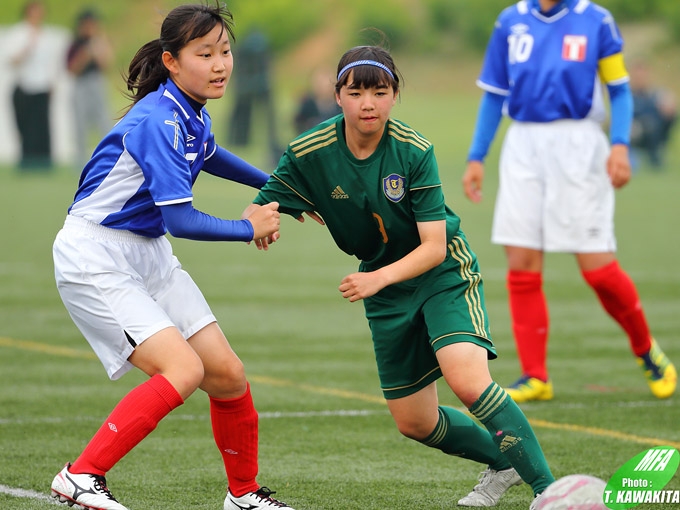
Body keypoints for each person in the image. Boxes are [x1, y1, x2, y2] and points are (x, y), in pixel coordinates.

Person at [244, 43, 555, 509]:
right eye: (356, 92)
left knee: (467, 379)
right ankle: (507, 460)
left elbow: (432, 247)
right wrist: (257, 223)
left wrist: (375, 280)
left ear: (394, 95)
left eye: (380, 91)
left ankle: (551, 493)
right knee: (415, 422)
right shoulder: (309, 151)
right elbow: (262, 202)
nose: (368, 103)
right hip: (385, 284)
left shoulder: (413, 150)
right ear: (337, 95)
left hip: (441, 271)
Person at [50, 3, 295, 510]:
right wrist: (248, 227)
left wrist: (282, 188)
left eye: (224, 51)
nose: (220, 63)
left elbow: (212, 155)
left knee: (226, 374)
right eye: (204, 53)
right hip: (95, 254)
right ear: (172, 61)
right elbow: (182, 220)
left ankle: (243, 496)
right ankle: (79, 476)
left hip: (146, 252)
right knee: (182, 370)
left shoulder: (188, 111)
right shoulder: (159, 121)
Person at [462, 0, 676, 403]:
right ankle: (535, 376)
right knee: (522, 263)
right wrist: (477, 156)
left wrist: (619, 146)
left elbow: (620, 91)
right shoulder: (510, 22)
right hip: (523, 144)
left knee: (597, 268)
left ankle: (645, 349)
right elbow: (494, 95)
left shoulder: (596, 21)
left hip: (579, 146)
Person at [6, 1, 65, 170]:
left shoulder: (47, 35)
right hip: (24, 85)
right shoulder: (18, 33)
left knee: (42, 127)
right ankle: (27, 162)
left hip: (42, 87)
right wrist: (28, 48)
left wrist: (52, 81)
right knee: (26, 126)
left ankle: (43, 162)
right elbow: (12, 60)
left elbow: (52, 63)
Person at [66, 8, 114, 170]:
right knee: (79, 124)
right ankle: (80, 162)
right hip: (81, 84)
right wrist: (86, 53)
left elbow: (106, 64)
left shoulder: (99, 41)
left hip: (96, 82)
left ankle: (109, 158)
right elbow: (72, 69)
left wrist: (98, 46)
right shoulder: (75, 44)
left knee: (104, 121)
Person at [227, 29, 281, 165]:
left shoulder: (247, 51)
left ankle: (270, 143)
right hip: (250, 84)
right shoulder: (245, 53)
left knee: (267, 115)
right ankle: (239, 139)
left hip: (254, 83)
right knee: (242, 113)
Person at [629, 59, 677, 171]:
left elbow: (669, 107)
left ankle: (656, 155)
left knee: (657, 120)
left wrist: (669, 106)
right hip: (634, 132)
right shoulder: (627, 95)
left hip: (655, 133)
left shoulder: (655, 94)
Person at [293, 66, 341, 134]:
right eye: (320, 83)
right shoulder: (308, 106)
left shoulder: (341, 106)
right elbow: (299, 125)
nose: (324, 87)